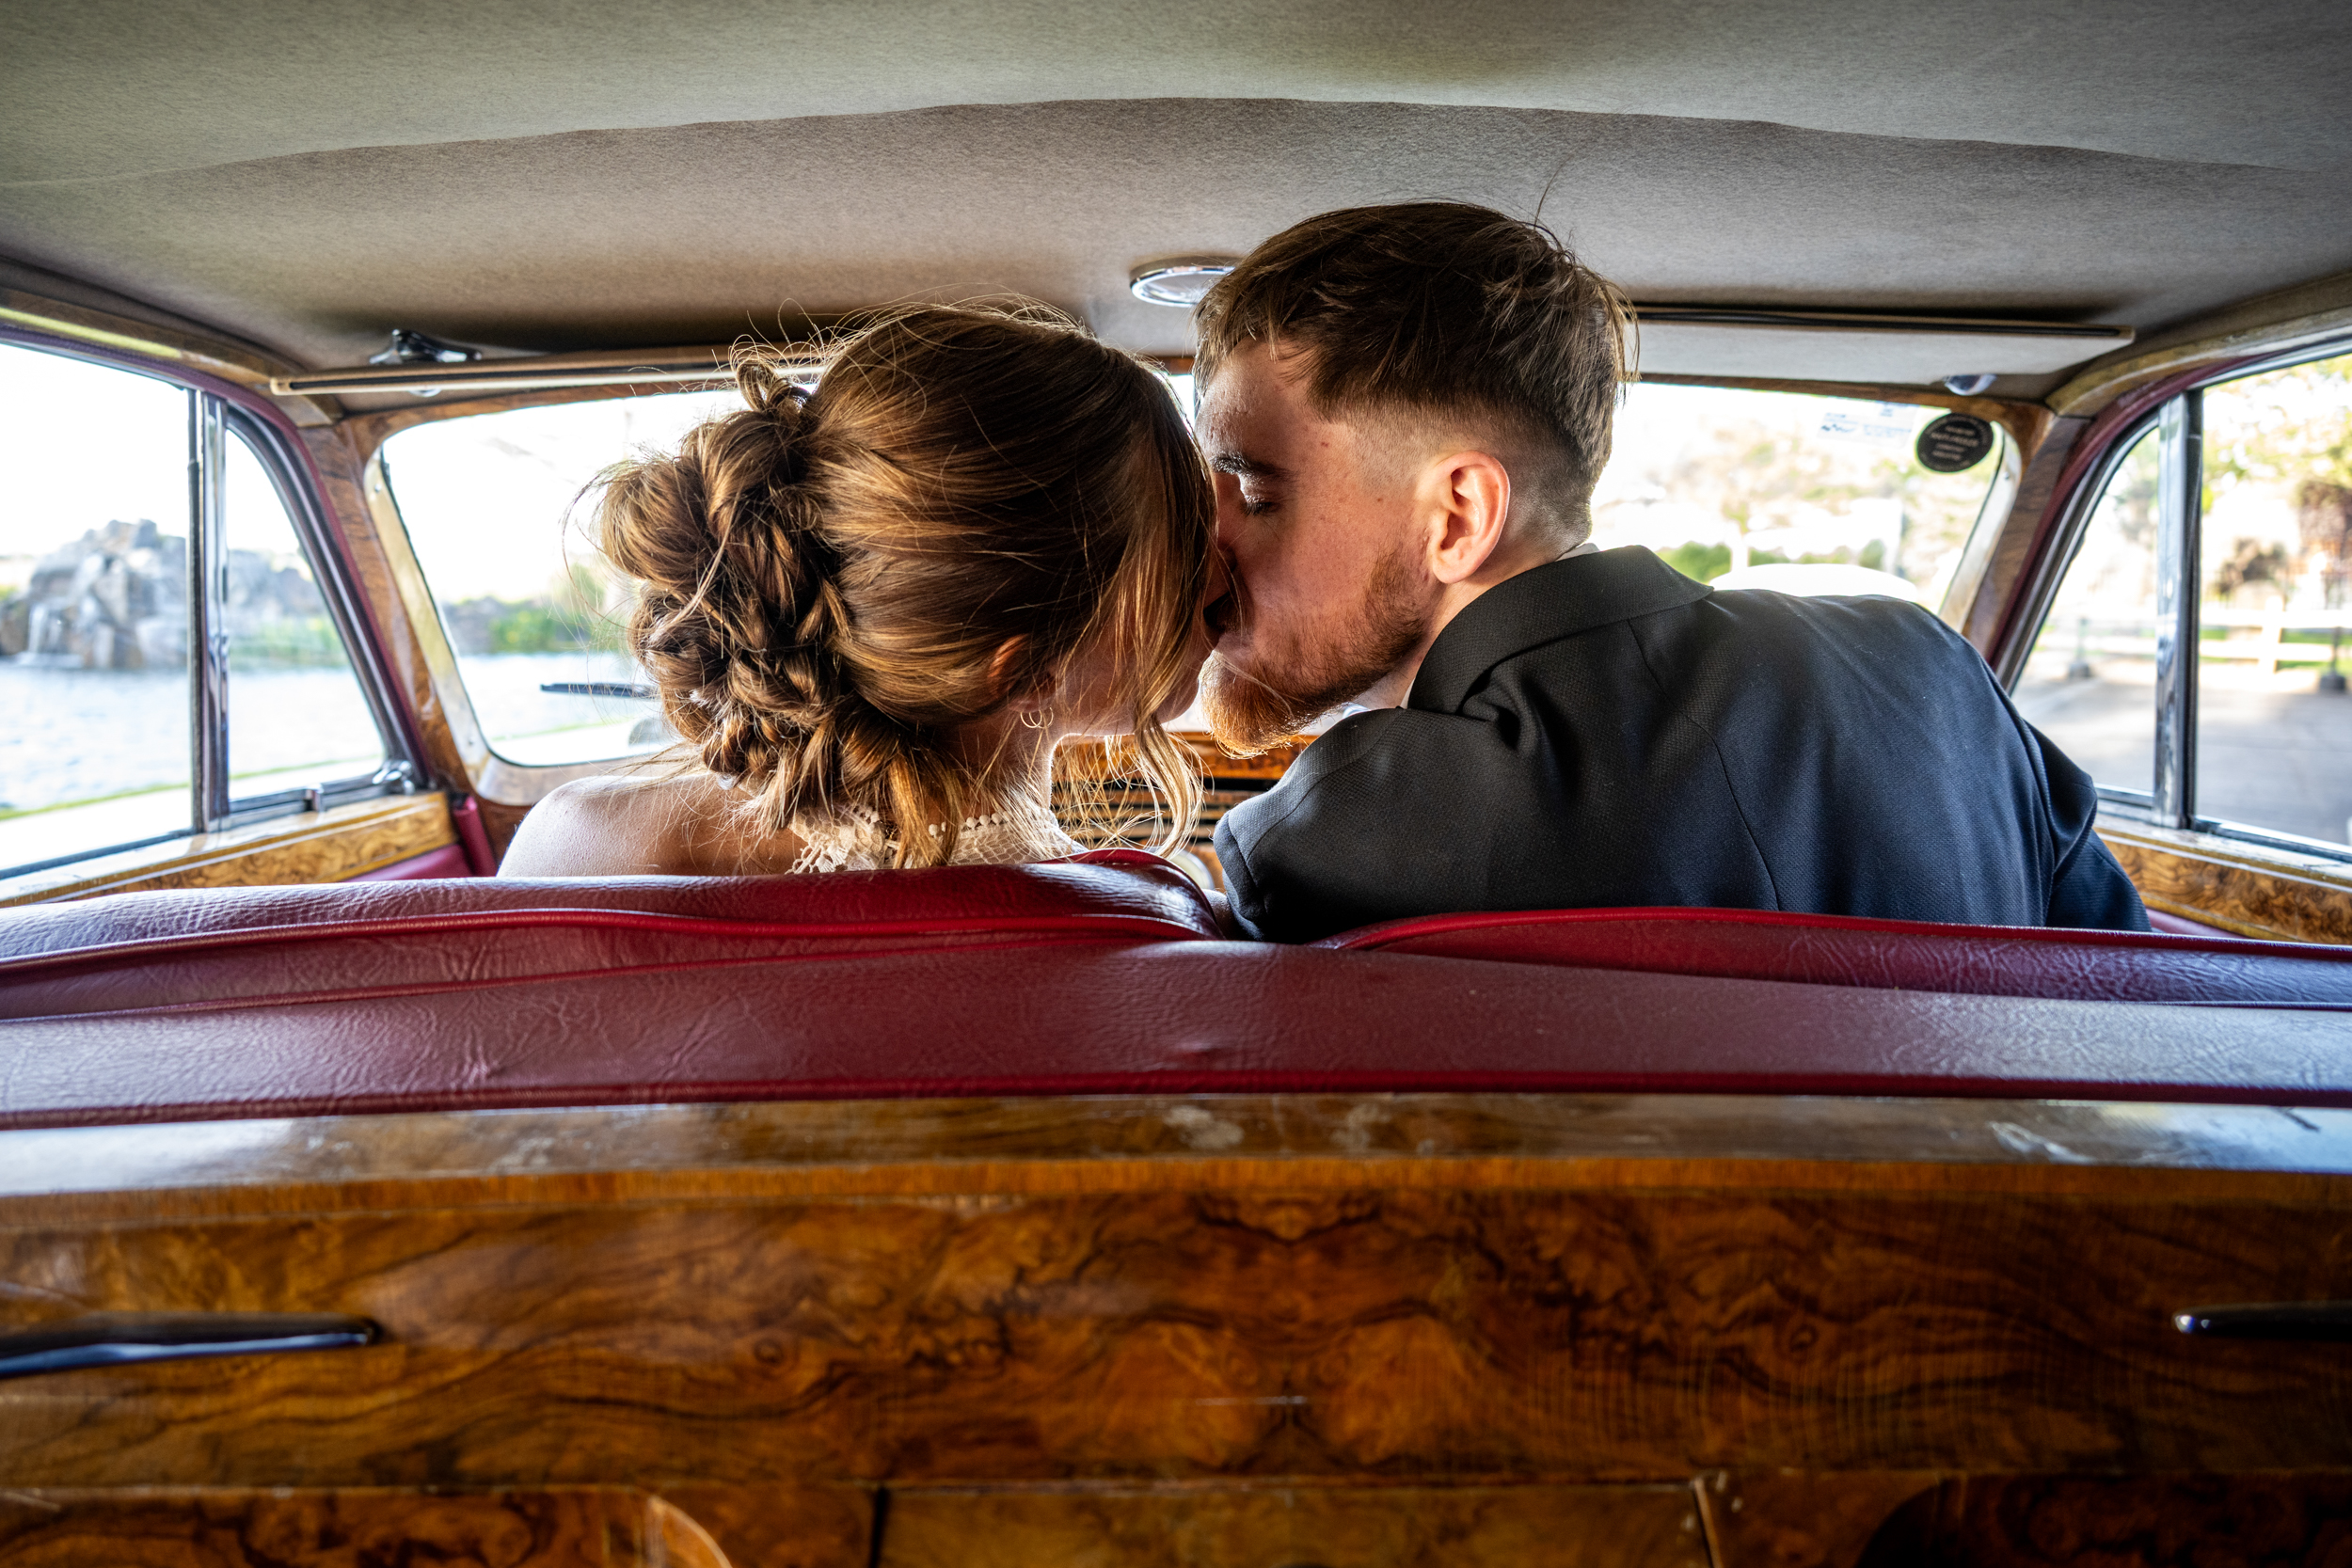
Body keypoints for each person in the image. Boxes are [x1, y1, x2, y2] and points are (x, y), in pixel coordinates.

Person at [1193, 201, 2148, 942]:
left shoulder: (1348, 837)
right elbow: (2126, 986)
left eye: (1256, 493)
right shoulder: (1931, 666)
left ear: (1458, 516)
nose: (1209, 545)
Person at [501, 305, 1212, 878]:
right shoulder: (1146, 912)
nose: (1217, 570)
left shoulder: (572, 838)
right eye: (1182, 543)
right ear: (1023, 669)